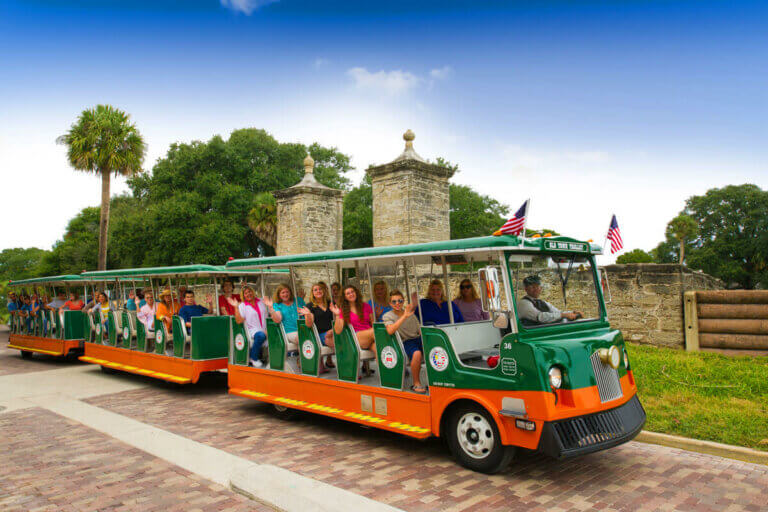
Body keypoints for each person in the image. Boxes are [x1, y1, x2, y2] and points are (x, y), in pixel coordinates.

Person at [382, 290, 426, 393]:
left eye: (400, 301)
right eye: (394, 302)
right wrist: (404, 316)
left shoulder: (411, 314)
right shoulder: (387, 316)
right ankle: (416, 383)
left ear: (403, 301)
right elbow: (390, 330)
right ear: (390, 303)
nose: (397, 303)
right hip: (405, 341)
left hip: (417, 339)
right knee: (417, 353)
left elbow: (419, 329)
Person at [516, 275, 584, 325]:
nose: (536, 289)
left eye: (537, 286)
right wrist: (564, 315)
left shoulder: (542, 302)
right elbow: (540, 317)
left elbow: (557, 312)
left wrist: (573, 312)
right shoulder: (523, 303)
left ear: (540, 288)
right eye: (532, 287)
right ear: (526, 289)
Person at [227, 284, 268, 367]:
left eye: (249, 292)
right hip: (253, 330)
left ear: (253, 292)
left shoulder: (261, 301)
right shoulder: (242, 306)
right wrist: (236, 307)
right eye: (245, 293)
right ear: (243, 296)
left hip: (265, 328)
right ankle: (253, 358)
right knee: (261, 335)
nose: (248, 294)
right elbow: (239, 321)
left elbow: (270, 313)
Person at [330, 285, 376, 354]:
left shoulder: (366, 306)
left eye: (352, 292)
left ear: (356, 293)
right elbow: (337, 331)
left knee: (377, 349)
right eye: (348, 293)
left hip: (369, 336)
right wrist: (337, 315)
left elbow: (373, 323)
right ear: (344, 297)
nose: (351, 294)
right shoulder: (343, 310)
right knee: (375, 332)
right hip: (355, 337)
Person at [305, 282, 336, 371]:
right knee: (337, 342)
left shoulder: (331, 303)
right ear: (312, 293)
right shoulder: (310, 306)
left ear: (324, 291)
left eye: (320, 289)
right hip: (320, 334)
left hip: (333, 331)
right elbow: (309, 324)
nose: (318, 291)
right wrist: (307, 315)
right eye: (315, 290)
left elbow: (337, 318)